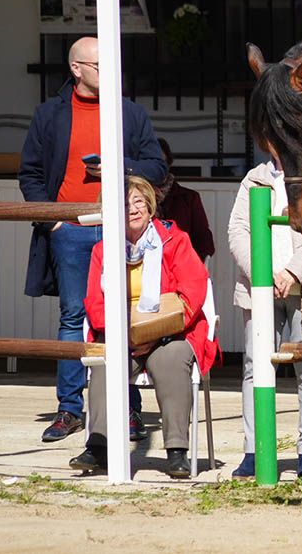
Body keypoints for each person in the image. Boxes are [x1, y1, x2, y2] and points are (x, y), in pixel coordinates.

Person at [18, 36, 166, 444]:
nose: (110, 73)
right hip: (70, 229)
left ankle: (128, 409)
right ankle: (69, 409)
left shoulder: (129, 114)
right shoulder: (49, 115)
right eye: (101, 65)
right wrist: (53, 222)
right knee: (72, 317)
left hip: (121, 228)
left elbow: (157, 166)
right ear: (77, 69)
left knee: (125, 316)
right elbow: (29, 174)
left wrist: (119, 167)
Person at [68, 176, 218, 477]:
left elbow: (193, 292)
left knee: (172, 360)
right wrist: (127, 333)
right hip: (121, 334)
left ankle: (177, 451)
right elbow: (94, 303)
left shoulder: (175, 241)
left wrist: (154, 332)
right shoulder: (103, 251)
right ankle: (98, 447)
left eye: (138, 202)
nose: (133, 209)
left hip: (172, 333)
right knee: (105, 363)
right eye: (124, 204)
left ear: (150, 208)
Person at [227, 156, 302, 479]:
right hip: (260, 288)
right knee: (254, 366)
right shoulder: (254, 178)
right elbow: (237, 230)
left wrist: (292, 272)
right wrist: (261, 274)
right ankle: (254, 450)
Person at [153, 138, 215, 262]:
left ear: (169, 163)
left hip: (180, 268)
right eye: (152, 163)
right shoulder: (133, 199)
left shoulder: (189, 198)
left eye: (162, 163)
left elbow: (204, 242)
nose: (156, 169)